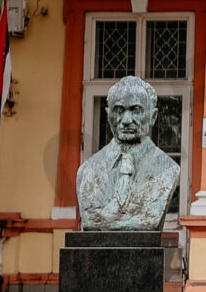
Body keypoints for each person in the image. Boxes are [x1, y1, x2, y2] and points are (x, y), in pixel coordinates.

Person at [76, 75, 180, 230]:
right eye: (119, 110)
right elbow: (91, 223)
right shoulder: (87, 171)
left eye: (135, 110)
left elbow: (150, 222)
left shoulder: (168, 169)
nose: (126, 120)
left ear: (153, 117)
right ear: (108, 115)